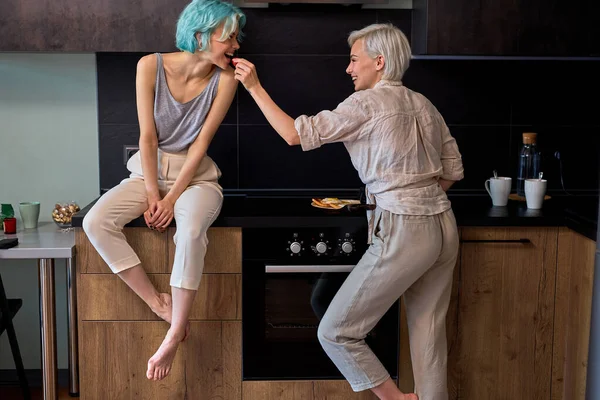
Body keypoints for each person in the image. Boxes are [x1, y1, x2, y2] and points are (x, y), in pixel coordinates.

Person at [233, 23, 464, 400]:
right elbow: (453, 169)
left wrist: (255, 86)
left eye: (354, 59)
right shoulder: (424, 103)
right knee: (428, 336)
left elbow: (295, 134)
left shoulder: (366, 103)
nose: (348, 68)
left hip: (404, 227)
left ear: (380, 61)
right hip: (442, 225)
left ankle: (396, 399)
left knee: (336, 331)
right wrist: (418, 197)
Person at [82, 0, 245, 382]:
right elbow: (148, 137)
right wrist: (155, 194)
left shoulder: (227, 79)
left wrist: (172, 200)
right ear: (202, 34)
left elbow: (202, 143)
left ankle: (175, 332)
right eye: (230, 38)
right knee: (96, 221)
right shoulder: (150, 65)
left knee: (189, 231)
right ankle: (158, 304)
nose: (236, 46)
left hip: (197, 178)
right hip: (148, 172)